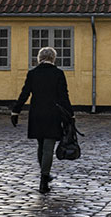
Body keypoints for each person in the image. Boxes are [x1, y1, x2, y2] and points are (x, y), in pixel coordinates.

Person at [10, 46, 72, 194]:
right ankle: (44, 179)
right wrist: (71, 114)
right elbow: (64, 96)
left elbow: (25, 93)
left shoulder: (33, 74)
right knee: (48, 147)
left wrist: (15, 111)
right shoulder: (58, 73)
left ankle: (45, 174)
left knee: (41, 145)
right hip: (53, 114)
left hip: (37, 113)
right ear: (53, 58)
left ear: (39, 58)